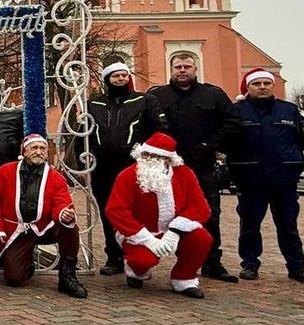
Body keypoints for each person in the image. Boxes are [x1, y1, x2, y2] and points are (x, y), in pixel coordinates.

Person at [148, 53, 243, 283]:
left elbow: (232, 123)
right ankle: (169, 259)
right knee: (167, 213)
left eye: (187, 66)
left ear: (195, 68)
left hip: (203, 165)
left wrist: (210, 144)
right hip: (168, 168)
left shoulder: (213, 94)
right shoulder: (157, 96)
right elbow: (148, 125)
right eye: (178, 66)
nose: (182, 70)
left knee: (209, 213)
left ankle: (212, 261)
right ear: (171, 69)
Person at [228, 68, 304, 284]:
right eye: (256, 84)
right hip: (250, 177)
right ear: (247, 87)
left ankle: (297, 267)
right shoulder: (236, 111)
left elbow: (303, 139)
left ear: (273, 86)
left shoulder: (289, 110)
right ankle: (250, 264)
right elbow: (226, 141)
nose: (262, 88)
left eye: (266, 84)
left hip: (283, 177)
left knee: (288, 224)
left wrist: (288, 157)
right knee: (249, 224)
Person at [105, 132, 214, 299]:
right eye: (145, 154)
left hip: (175, 230)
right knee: (142, 262)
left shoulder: (184, 174)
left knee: (202, 239)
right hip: (140, 233)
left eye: (154, 156)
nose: (148, 159)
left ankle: (183, 278)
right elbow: (115, 210)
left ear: (168, 159)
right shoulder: (127, 175)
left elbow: (200, 207)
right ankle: (136, 272)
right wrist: (146, 238)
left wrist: (176, 230)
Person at [84, 61, 167, 276]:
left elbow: (159, 130)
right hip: (102, 166)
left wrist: (148, 156)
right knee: (107, 210)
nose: (121, 79)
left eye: (124, 75)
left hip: (133, 165)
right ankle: (114, 256)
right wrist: (84, 159)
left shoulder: (145, 100)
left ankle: (135, 252)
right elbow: (83, 135)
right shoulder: (94, 104)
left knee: (133, 211)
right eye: (116, 76)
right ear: (107, 80)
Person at [0, 134, 87, 298]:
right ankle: (26, 261)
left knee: (70, 228)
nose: (38, 152)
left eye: (42, 148)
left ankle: (67, 276)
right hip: (18, 230)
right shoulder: (5, 171)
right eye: (34, 148)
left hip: (45, 227)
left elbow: (62, 202)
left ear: (47, 153)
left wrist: (63, 214)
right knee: (14, 279)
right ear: (24, 151)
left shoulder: (56, 178)